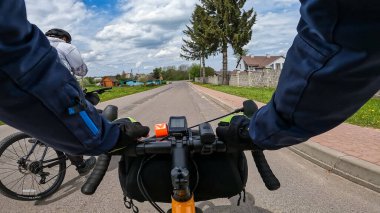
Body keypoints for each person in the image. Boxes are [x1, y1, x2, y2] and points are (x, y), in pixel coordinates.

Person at [0, 0, 379, 156]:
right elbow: (348, 33)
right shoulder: (66, 47)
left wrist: (101, 135)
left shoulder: (42, 46)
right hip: (58, 96)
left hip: (51, 102)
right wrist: (263, 130)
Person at [44, 28, 94, 175]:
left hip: (28, 92)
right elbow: (81, 71)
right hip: (58, 91)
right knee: (73, 120)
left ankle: (41, 136)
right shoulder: (65, 46)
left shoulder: (32, 45)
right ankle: (81, 164)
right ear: (64, 37)